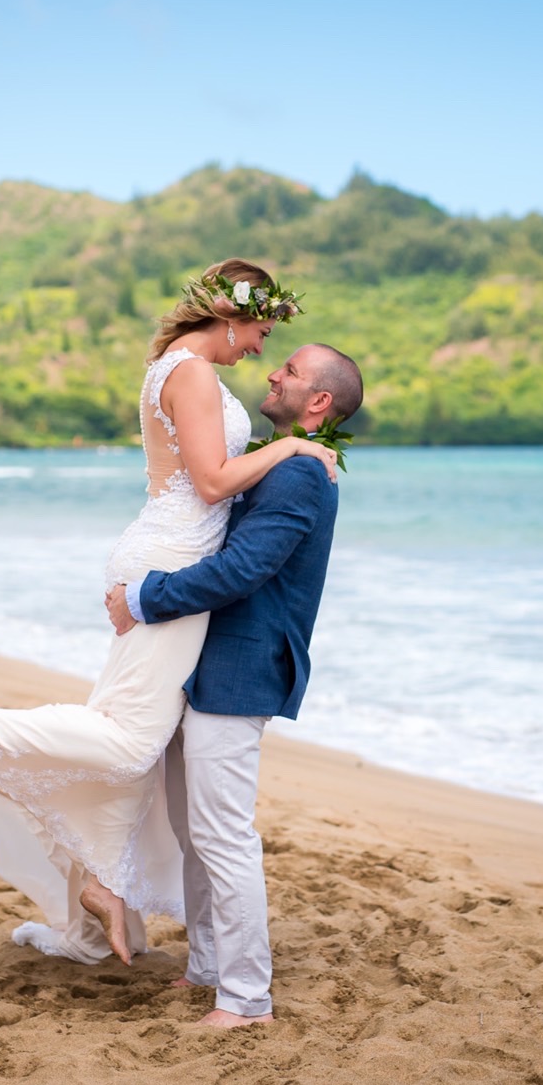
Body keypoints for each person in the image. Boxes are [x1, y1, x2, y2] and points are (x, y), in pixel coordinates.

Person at [0, 259, 337, 967]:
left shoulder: (178, 367)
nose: (260, 350)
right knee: (131, 742)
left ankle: (100, 896)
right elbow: (209, 484)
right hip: (169, 564)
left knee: (130, 734)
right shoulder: (196, 373)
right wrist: (292, 444)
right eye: (262, 330)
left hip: (161, 554)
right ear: (230, 314)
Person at [105, 342, 363, 1028]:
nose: (272, 372)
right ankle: (208, 967)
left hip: (244, 666)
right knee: (195, 830)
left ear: (318, 403)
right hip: (205, 660)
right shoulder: (276, 465)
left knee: (222, 834)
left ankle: (247, 999)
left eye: (291, 371)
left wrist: (146, 596)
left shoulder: (302, 479)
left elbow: (242, 570)